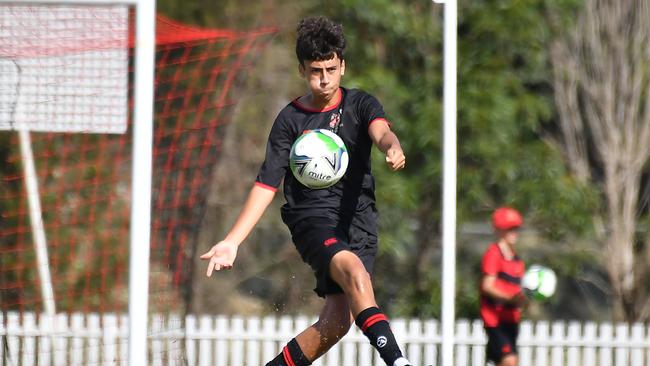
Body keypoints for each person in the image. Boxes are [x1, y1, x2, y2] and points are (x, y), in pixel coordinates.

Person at [200, 16, 411, 366]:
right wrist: (232, 240)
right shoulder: (290, 120)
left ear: (342, 65)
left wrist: (392, 146)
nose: (324, 78)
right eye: (315, 71)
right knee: (356, 274)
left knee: (336, 322)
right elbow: (267, 183)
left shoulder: (360, 104)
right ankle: (399, 363)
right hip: (312, 219)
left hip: (359, 222)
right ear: (301, 70)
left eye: (331, 68)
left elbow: (381, 131)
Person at [479, 207, 528, 366]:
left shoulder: (517, 260)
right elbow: (487, 285)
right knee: (510, 361)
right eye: (510, 229)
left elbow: (518, 290)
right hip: (495, 320)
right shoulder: (494, 254)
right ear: (499, 230)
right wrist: (510, 298)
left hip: (511, 320)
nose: (514, 232)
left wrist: (524, 299)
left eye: (516, 228)